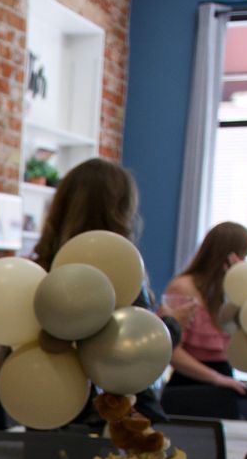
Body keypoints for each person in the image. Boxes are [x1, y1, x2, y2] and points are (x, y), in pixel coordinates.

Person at [31, 158, 172, 422]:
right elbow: (139, 348)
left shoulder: (39, 272)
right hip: (114, 422)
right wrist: (172, 324)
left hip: (48, 415)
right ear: (121, 209)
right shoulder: (122, 274)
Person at [159, 222, 247, 394]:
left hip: (225, 382)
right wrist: (216, 378)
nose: (245, 263)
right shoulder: (183, 287)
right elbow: (169, 348)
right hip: (190, 386)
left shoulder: (229, 292)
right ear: (229, 256)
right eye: (244, 256)